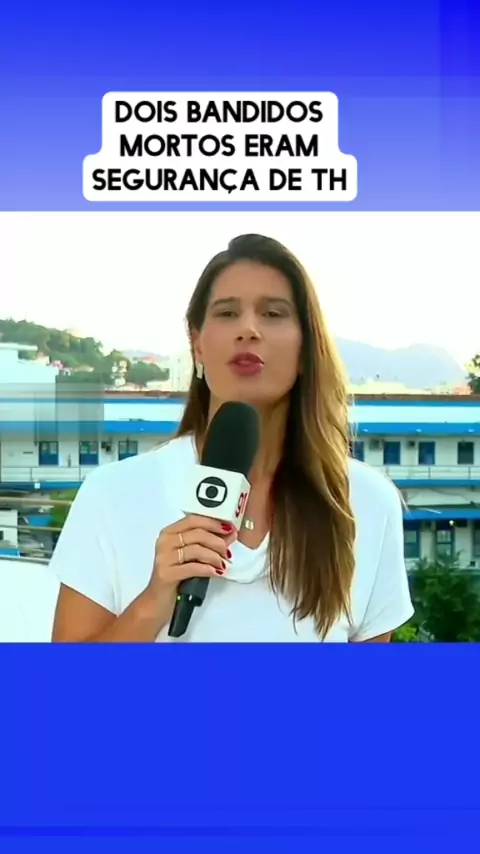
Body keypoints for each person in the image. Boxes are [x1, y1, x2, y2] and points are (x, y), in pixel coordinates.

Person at [51, 233, 413, 643]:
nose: (248, 329)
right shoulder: (112, 494)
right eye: (227, 313)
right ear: (197, 345)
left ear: (306, 348)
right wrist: (151, 603)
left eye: (273, 313)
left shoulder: (364, 501)